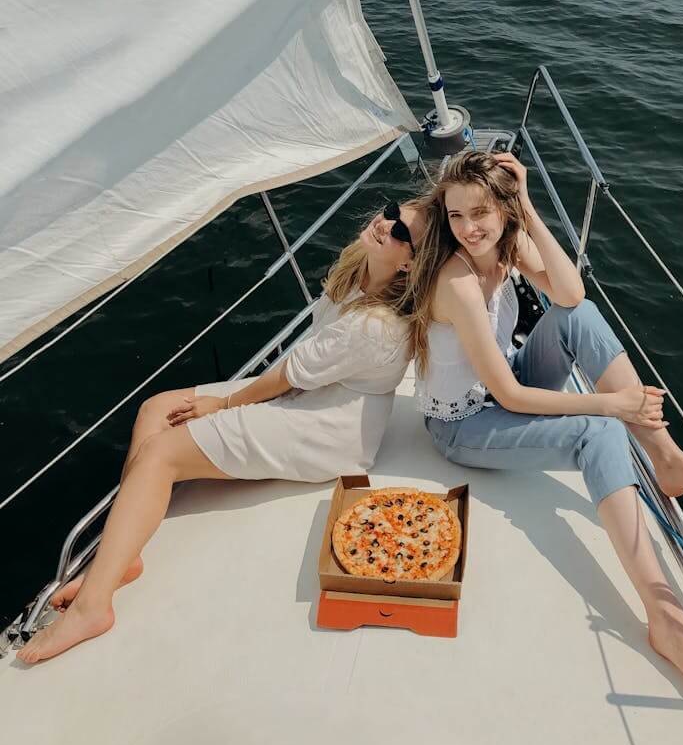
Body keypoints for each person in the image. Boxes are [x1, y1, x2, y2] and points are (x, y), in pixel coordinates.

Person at [406, 149, 683, 707]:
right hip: (463, 424)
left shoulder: (502, 244)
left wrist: (527, 206)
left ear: (503, 210)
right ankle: (665, 617)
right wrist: (611, 405)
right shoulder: (456, 281)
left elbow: (571, 295)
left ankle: (664, 458)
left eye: (481, 213)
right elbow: (510, 396)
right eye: (456, 217)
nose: (468, 228)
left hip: (502, 381)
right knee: (599, 430)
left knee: (580, 318)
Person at [18, 198, 426, 664]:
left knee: (160, 455)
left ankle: (94, 607)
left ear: (411, 262)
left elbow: (289, 374)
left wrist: (223, 404)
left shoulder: (375, 326)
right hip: (309, 394)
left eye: (402, 234)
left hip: (326, 430)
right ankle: (123, 557)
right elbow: (296, 371)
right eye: (391, 212)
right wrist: (220, 405)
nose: (386, 225)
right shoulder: (357, 269)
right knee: (157, 408)